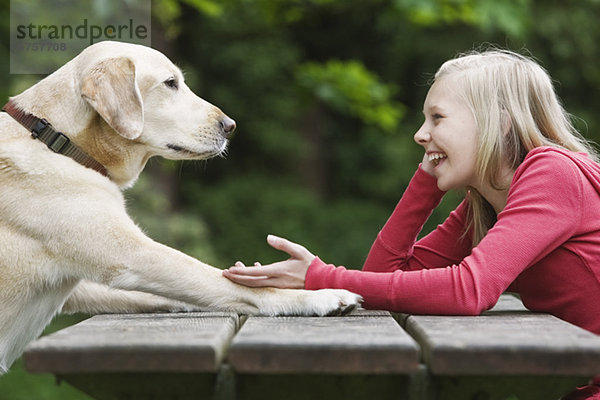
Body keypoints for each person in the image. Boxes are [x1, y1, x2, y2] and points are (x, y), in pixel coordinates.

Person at [222, 49, 600, 399]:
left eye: (437, 118)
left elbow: (469, 290)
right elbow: (383, 276)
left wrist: (320, 278)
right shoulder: (485, 206)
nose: (420, 134)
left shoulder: (553, 172)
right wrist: (425, 183)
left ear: (498, 123)